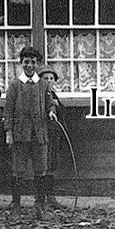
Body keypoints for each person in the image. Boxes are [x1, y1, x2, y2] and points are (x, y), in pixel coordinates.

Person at [4, 46, 57, 218]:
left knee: (40, 171)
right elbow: (8, 110)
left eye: (33, 62)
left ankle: (39, 206)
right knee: (18, 171)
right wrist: (9, 132)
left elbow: (51, 103)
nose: (29, 65)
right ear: (21, 63)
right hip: (20, 135)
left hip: (39, 135)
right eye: (26, 62)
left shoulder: (44, 85)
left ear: (37, 64)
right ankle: (17, 206)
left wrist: (51, 111)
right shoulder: (14, 85)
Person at [39, 68, 66, 210]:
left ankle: (51, 197)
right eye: (45, 78)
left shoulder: (53, 95)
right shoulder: (38, 94)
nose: (49, 81)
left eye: (51, 78)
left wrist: (57, 105)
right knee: (43, 165)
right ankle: (42, 198)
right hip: (43, 135)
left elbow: (61, 115)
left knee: (52, 165)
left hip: (54, 135)